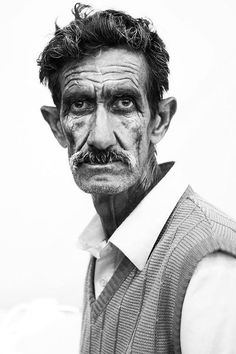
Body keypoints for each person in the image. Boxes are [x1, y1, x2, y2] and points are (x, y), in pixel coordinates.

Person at [37, 3, 236, 353]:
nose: (100, 136)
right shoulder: (106, 245)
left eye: (124, 104)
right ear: (57, 125)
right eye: (80, 105)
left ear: (159, 120)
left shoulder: (209, 261)